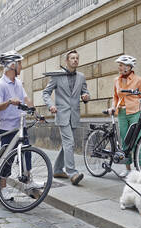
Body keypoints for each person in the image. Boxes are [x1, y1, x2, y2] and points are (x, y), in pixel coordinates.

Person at [0, 50, 42, 190]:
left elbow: (26, 99)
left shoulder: (18, 83)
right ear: (12, 65)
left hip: (20, 126)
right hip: (7, 128)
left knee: (27, 153)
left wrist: (36, 113)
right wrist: (8, 102)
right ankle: (2, 188)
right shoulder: (0, 84)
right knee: (7, 160)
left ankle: (29, 181)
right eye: (20, 63)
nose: (21, 67)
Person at [42, 50, 90, 185]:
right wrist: (51, 105)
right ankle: (72, 173)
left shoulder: (81, 77)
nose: (75, 60)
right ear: (67, 61)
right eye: (72, 58)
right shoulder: (57, 76)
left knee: (67, 144)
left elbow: (85, 92)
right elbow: (46, 93)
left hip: (74, 115)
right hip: (62, 114)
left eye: (77, 58)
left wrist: (86, 97)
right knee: (69, 143)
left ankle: (57, 169)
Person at [108, 55, 141, 178]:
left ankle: (138, 169)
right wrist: (113, 107)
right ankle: (127, 168)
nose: (119, 67)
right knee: (125, 140)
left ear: (128, 67)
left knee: (137, 140)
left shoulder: (138, 79)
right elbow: (116, 97)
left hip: (135, 111)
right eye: (119, 65)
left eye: (121, 65)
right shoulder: (116, 80)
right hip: (122, 112)